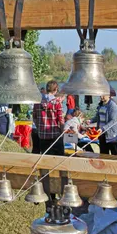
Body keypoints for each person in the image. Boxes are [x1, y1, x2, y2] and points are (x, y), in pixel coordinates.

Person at [33, 80, 67, 213]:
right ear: (56, 89)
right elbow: (61, 120)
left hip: (43, 138)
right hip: (55, 137)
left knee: (46, 168)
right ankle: (61, 194)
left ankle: (49, 196)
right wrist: (63, 131)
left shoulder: (37, 102)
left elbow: (35, 118)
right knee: (60, 166)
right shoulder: (56, 102)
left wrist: (41, 129)